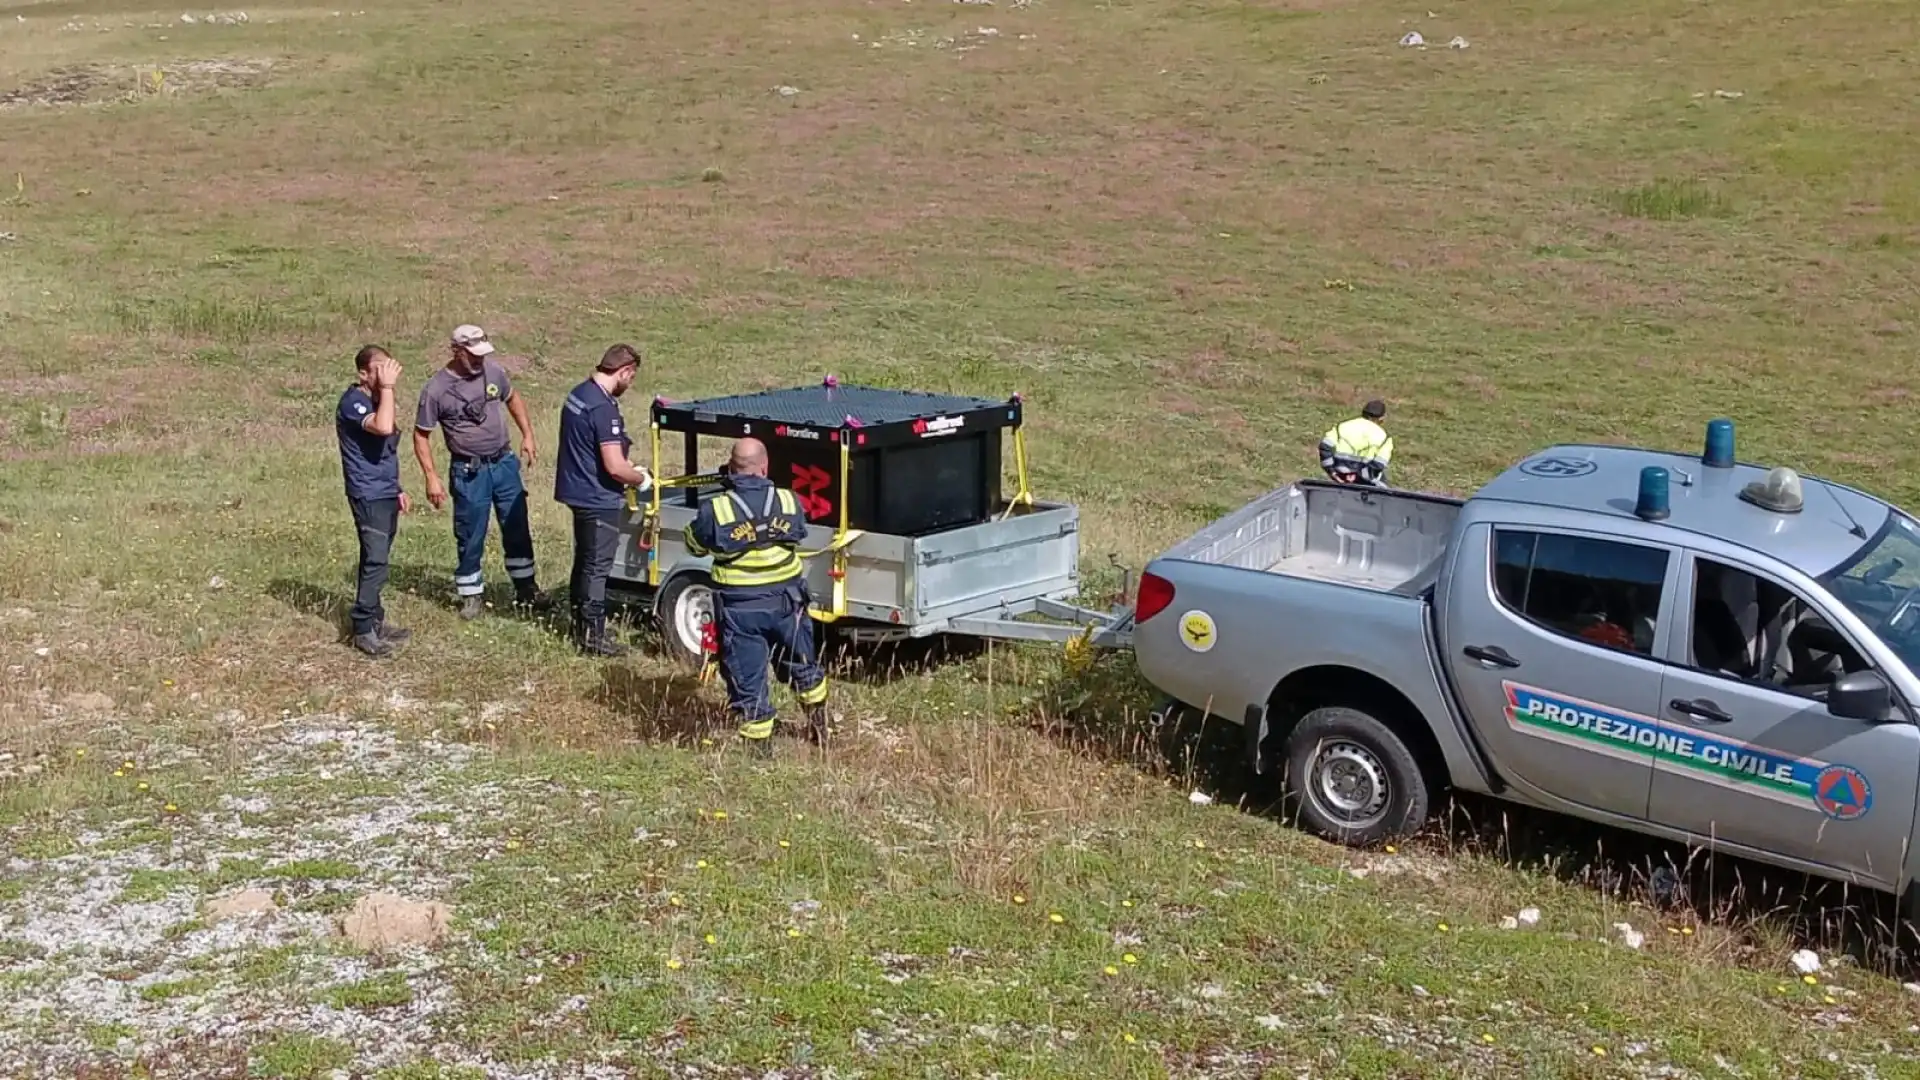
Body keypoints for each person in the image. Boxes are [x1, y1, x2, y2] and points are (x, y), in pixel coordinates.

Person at [684, 438, 830, 752]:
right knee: (803, 665)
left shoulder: (717, 508)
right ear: (765, 467)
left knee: (747, 679)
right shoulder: (789, 500)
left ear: (731, 468)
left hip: (740, 609)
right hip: (787, 603)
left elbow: (695, 545)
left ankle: (760, 756)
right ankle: (820, 727)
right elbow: (797, 536)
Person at [412, 324, 551, 619]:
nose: (479, 360)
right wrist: (431, 477)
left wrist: (527, 434)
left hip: (503, 464)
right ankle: (471, 594)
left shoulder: (494, 372)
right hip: (469, 471)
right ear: (456, 351)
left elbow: (512, 398)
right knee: (470, 532)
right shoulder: (437, 389)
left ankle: (526, 588)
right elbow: (421, 434)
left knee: (516, 525)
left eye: (482, 354)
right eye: (473, 355)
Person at [553, 343, 654, 656]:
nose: (630, 383)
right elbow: (614, 466)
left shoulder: (578, 394)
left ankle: (580, 624)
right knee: (597, 567)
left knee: (583, 561)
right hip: (597, 497)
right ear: (623, 371)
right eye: (631, 377)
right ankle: (593, 637)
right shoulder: (602, 408)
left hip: (577, 491)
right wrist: (641, 478)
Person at [336, 345, 412, 658]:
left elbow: (385, 448)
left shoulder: (377, 400)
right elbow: (382, 427)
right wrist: (389, 387)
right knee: (376, 559)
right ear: (363, 373)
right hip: (367, 493)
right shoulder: (352, 402)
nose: (385, 372)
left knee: (378, 559)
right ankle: (363, 628)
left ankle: (375, 620)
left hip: (384, 490)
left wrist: (398, 488)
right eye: (378, 368)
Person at [1319, 399, 1394, 487]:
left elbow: (1325, 446)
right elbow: (1379, 464)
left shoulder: (1341, 427)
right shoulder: (1384, 437)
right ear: (1381, 419)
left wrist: (1332, 472)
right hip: (1366, 482)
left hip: (1340, 477)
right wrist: (1357, 478)